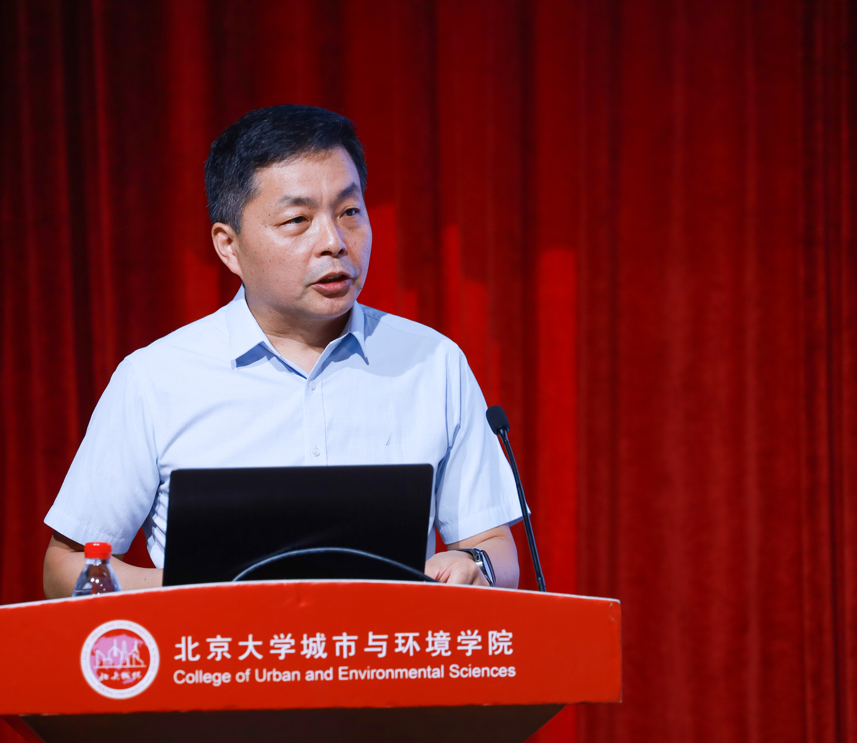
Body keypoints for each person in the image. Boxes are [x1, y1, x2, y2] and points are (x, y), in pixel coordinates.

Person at [42, 104, 522, 597]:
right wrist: (196, 589)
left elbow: (495, 549)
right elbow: (64, 568)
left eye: (349, 212)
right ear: (228, 246)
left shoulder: (433, 363)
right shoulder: (156, 379)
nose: (334, 242)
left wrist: (473, 564)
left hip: (383, 644)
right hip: (219, 645)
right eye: (297, 220)